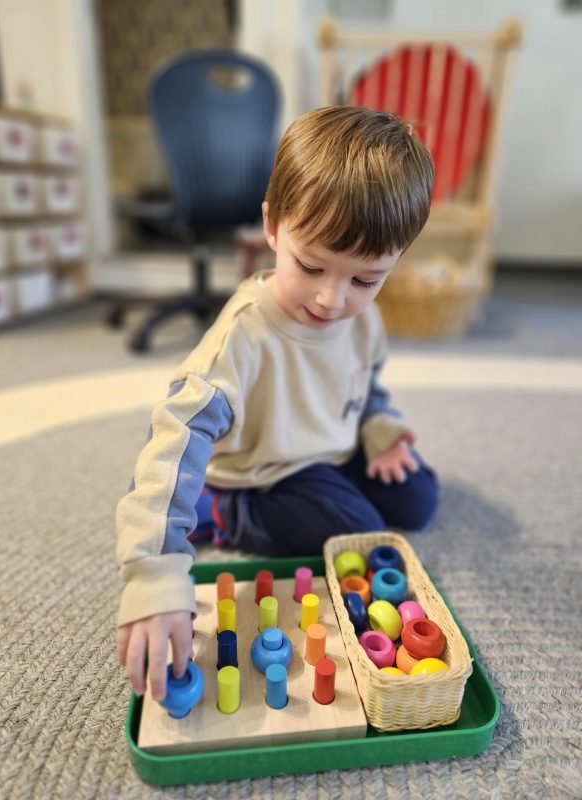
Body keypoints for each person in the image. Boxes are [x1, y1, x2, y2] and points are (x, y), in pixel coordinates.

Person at [116, 106, 438, 702]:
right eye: (310, 265)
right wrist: (155, 571)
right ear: (271, 225)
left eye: (365, 280)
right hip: (262, 472)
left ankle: (335, 485)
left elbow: (364, 388)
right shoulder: (242, 336)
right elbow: (174, 438)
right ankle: (222, 511)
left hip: (327, 446)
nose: (331, 298)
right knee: (360, 533)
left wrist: (381, 432)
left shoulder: (363, 320)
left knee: (419, 498)